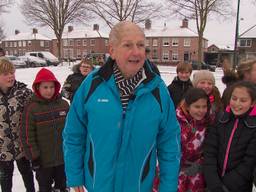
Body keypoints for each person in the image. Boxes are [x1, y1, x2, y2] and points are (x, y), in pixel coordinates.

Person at [63, 21, 181, 192]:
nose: (136, 52)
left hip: (138, 186)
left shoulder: (158, 90)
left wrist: (168, 187)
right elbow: (73, 134)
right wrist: (74, 175)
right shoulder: (92, 85)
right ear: (112, 51)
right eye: (128, 45)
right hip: (97, 185)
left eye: (141, 45)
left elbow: (170, 142)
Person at [20, 68, 69, 192]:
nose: (49, 91)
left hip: (62, 158)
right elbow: (27, 134)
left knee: (62, 186)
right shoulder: (32, 108)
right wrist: (34, 157)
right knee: (44, 187)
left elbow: (71, 131)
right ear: (38, 88)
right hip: (43, 161)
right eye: (45, 87)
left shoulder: (64, 105)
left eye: (51, 87)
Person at [203, 81, 256, 192]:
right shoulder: (221, 120)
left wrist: (225, 187)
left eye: (243, 100)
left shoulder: (253, 127)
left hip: (238, 187)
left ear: (252, 103)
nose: (237, 103)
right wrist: (213, 182)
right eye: (234, 98)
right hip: (213, 185)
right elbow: (209, 151)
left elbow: (249, 162)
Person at [0, 58, 35, 192]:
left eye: (12, 73)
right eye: (5, 74)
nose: (10, 76)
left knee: (27, 173)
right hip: (2, 148)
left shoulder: (23, 93)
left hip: (22, 145)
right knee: (5, 178)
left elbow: (36, 110)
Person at [176, 88, 210, 192]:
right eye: (197, 106)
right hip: (175, 171)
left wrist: (201, 163)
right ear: (187, 106)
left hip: (195, 173)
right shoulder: (175, 122)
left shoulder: (208, 123)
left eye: (204, 107)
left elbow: (211, 148)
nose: (201, 110)